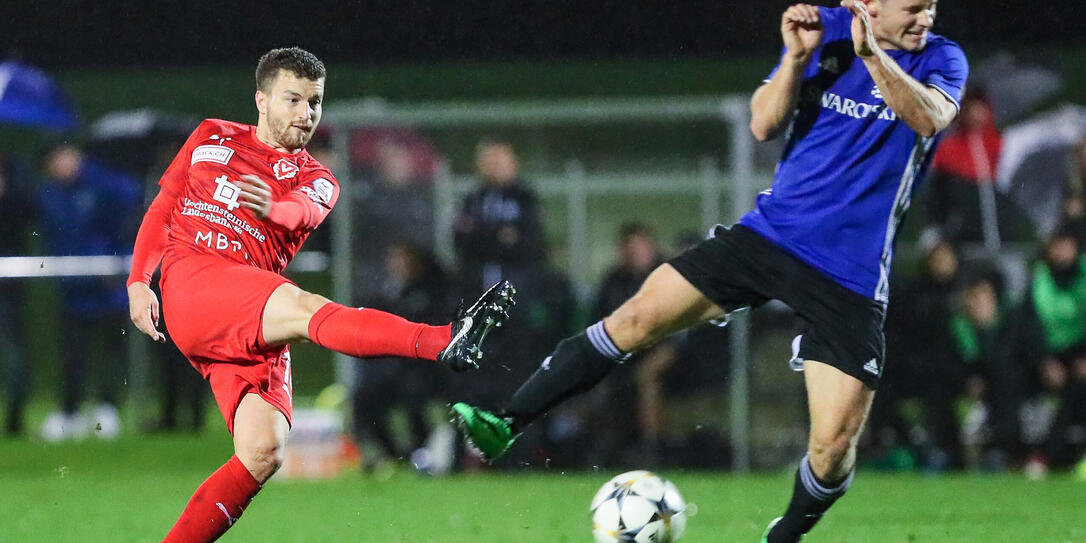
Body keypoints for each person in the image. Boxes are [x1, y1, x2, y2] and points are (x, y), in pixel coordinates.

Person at [451, 2, 966, 542]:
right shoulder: (826, 31)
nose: (925, 18)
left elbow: (928, 116)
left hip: (850, 273)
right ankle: (506, 423)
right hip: (769, 236)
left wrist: (873, 56)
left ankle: (783, 535)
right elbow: (764, 122)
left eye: (930, 7)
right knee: (636, 317)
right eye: (913, 8)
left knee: (833, 445)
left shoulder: (942, 59)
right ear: (870, 5)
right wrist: (793, 59)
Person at [125, 47, 516, 543]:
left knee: (263, 451)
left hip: (245, 313)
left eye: (315, 102)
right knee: (308, 308)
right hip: (194, 282)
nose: (305, 113)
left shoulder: (317, 178)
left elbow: (301, 214)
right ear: (261, 100)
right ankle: (443, 341)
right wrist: (139, 281)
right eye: (293, 99)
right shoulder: (210, 136)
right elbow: (163, 208)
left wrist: (274, 208)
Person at [38, 143, 144, 440]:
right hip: (73, 289)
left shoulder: (102, 184)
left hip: (108, 288)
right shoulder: (49, 194)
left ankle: (107, 409)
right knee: (74, 354)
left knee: (111, 351)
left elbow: (130, 199)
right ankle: (69, 413)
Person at [0, 153, 34, 436]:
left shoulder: (15, 172)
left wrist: (6, 193)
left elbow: (30, 212)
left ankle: (14, 421)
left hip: (9, 285)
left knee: (14, 353)